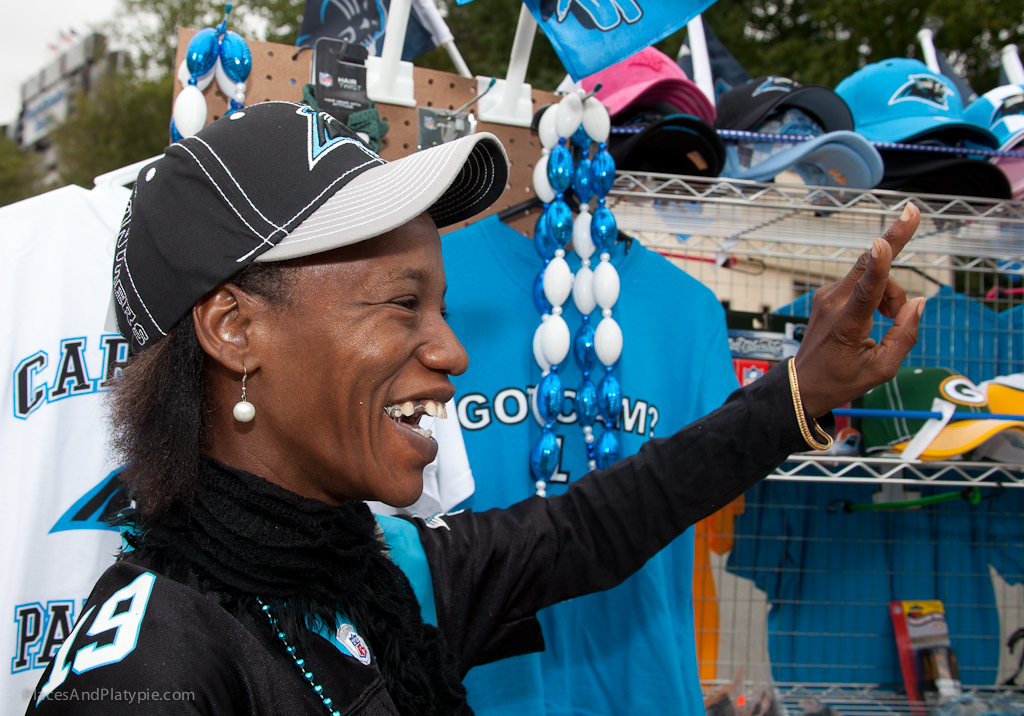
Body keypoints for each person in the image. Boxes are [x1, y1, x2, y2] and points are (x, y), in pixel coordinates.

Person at [26, 100, 924, 715]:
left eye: (443, 307)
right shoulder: (150, 661)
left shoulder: (383, 572)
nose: (451, 351)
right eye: (399, 303)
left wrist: (804, 391)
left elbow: (598, 523)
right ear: (234, 329)